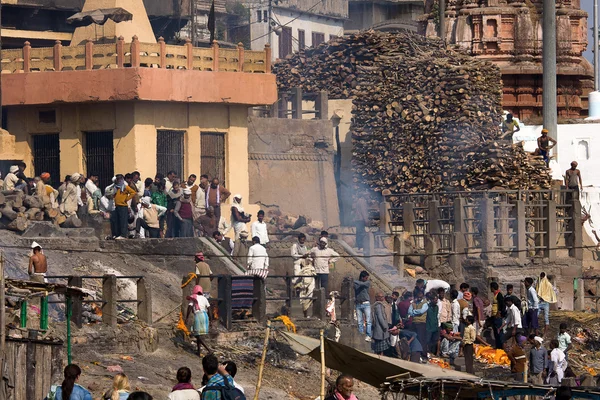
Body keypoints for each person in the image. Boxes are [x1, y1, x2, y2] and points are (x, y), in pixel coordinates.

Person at [186, 285, 212, 356]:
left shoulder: (193, 297)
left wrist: (187, 317)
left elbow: (190, 307)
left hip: (198, 315)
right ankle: (198, 351)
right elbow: (209, 309)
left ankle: (208, 349)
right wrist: (211, 319)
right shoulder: (204, 298)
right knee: (199, 334)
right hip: (205, 316)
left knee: (197, 335)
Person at [111, 175, 136, 239]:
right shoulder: (116, 187)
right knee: (117, 220)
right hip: (117, 205)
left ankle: (123, 235)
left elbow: (133, 192)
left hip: (123, 206)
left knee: (123, 221)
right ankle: (118, 234)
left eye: (120, 179)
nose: (119, 180)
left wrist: (126, 199)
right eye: (118, 179)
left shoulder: (125, 187)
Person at [408, 288, 428, 358]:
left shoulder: (425, 303)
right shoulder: (413, 303)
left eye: (420, 296)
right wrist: (415, 312)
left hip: (421, 323)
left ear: (422, 295)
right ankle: (415, 354)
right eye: (418, 296)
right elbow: (409, 312)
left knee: (422, 339)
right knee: (414, 339)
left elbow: (422, 311)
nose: (419, 297)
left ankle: (424, 355)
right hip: (414, 323)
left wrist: (414, 311)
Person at [537, 272, 557, 338]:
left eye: (543, 276)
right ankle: (536, 332)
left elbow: (556, 291)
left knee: (546, 318)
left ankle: (545, 334)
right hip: (539, 302)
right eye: (541, 277)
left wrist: (549, 296)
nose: (542, 278)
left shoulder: (549, 285)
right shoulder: (539, 284)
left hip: (545, 303)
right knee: (535, 316)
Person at [354, 271, 372, 342]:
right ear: (362, 277)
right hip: (358, 304)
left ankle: (368, 335)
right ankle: (361, 334)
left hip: (366, 304)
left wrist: (353, 280)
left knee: (368, 321)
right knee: (359, 321)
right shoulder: (356, 284)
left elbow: (361, 284)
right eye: (366, 278)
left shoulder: (367, 283)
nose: (367, 279)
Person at [489, 281, 506, 349]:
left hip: (497, 316)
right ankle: (498, 346)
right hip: (494, 316)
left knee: (499, 332)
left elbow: (502, 305)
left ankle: (501, 347)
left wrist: (499, 313)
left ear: (493, 288)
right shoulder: (495, 295)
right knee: (496, 332)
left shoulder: (499, 295)